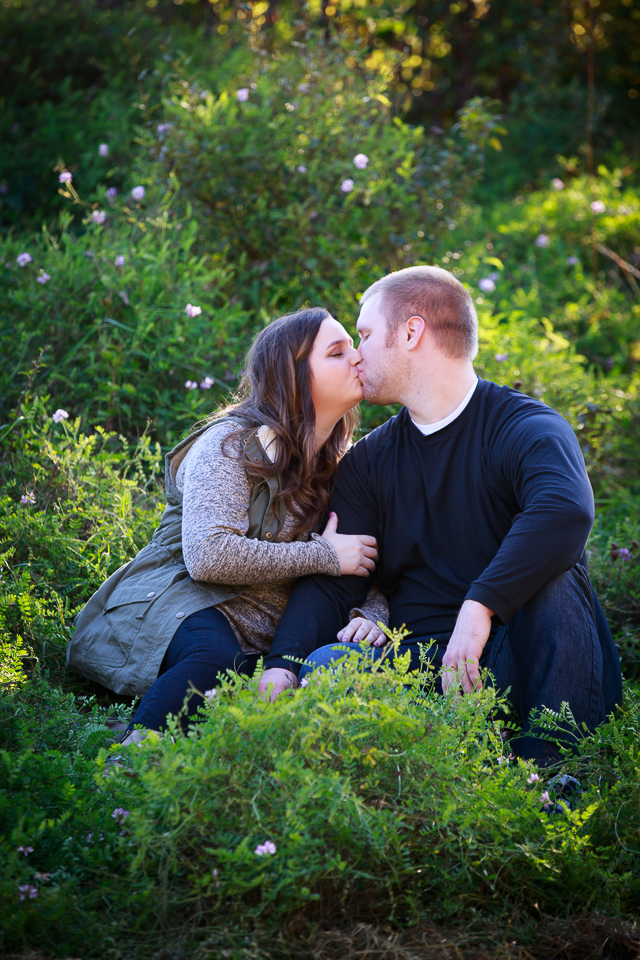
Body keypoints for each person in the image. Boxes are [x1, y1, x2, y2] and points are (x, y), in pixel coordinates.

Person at [260, 266, 623, 763]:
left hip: (515, 660)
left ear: (411, 332)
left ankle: (553, 779)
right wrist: (283, 664)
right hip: (417, 667)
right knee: (329, 664)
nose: (357, 353)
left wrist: (479, 610)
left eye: (364, 334)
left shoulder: (526, 427)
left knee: (557, 582)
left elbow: (565, 511)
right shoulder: (369, 461)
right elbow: (335, 581)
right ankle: (411, 788)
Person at [67, 308, 388, 745]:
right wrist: (324, 556)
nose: (357, 357)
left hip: (264, 642)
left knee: (272, 693)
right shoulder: (232, 444)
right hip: (184, 606)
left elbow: (366, 560)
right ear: (293, 378)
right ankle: (131, 764)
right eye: (337, 352)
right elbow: (209, 555)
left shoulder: (347, 465)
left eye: (353, 345)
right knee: (216, 659)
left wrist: (371, 613)